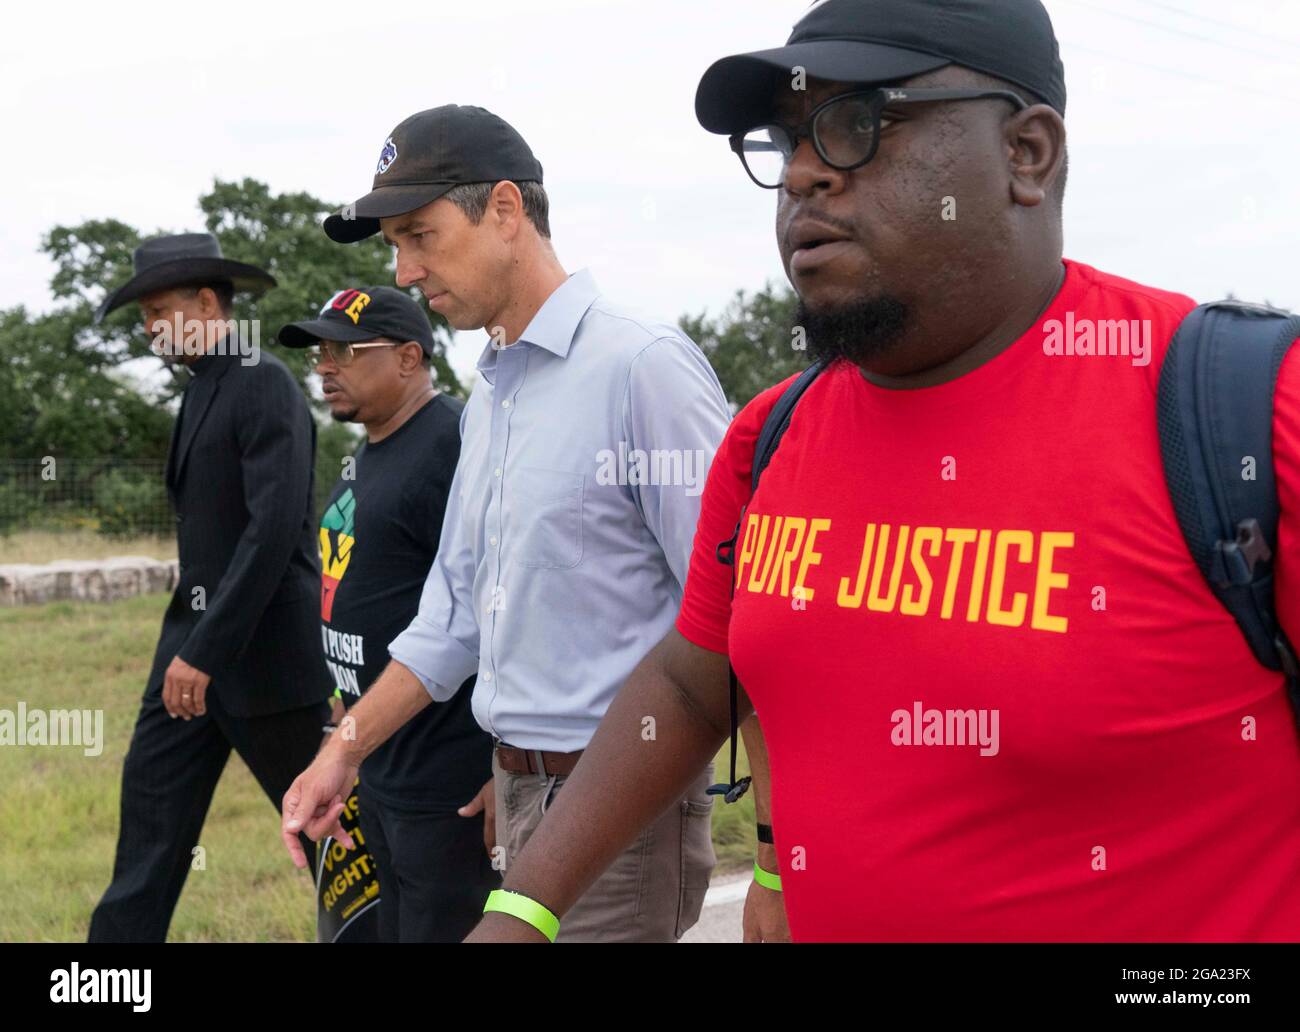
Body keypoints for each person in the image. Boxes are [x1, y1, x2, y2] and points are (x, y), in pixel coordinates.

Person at [463, 0, 1300, 942]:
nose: (806, 174)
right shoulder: (770, 435)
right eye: (785, 141)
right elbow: (700, 681)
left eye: (859, 124)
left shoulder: (1246, 412)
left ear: (1027, 154)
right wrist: (523, 910)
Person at [280, 105, 737, 942]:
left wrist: (778, 857)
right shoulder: (492, 392)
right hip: (514, 793)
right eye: (392, 246)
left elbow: (739, 614)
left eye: (419, 235)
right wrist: (342, 750)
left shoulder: (640, 367)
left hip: (620, 807)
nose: (405, 270)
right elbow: (451, 616)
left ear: (503, 209)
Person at [89, 232, 332, 942]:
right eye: (144, 319)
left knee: (338, 846)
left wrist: (208, 650)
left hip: (265, 667)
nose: (152, 330)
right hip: (185, 665)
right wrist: (187, 653)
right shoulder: (200, 391)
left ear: (206, 302)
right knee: (147, 846)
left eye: (160, 312)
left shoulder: (262, 381)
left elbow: (273, 533)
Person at [277, 285, 498, 941]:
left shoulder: (453, 445)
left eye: (346, 350)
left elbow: (497, 611)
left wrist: (502, 768)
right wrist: (338, 749)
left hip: (447, 786)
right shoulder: (364, 453)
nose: (324, 366)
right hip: (377, 771)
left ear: (409, 358)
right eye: (320, 352)